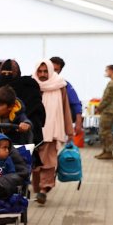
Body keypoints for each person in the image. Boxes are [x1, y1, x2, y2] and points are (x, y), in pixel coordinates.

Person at [32, 59, 74, 205]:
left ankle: (44, 189)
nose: (43, 74)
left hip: (52, 131)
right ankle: (37, 189)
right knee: (35, 165)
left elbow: (65, 108)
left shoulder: (59, 85)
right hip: (34, 132)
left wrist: (70, 131)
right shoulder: (31, 85)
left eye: (45, 71)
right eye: (40, 71)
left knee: (48, 163)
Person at [0, 60, 46, 144]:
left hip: (25, 139)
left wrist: (27, 125)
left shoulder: (29, 88)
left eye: (9, 73)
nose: (7, 76)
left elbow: (35, 115)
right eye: (4, 73)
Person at [49, 56, 83, 139]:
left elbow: (76, 104)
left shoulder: (64, 84)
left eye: (56, 70)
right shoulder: (35, 83)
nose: (53, 72)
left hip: (57, 123)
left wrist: (78, 124)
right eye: (51, 69)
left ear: (60, 71)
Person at [94, 64, 113, 159]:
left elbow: (107, 98)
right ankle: (105, 150)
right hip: (108, 109)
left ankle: (108, 151)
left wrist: (99, 108)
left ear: (111, 71)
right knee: (103, 131)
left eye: (107, 70)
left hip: (108, 110)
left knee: (105, 131)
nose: (106, 72)